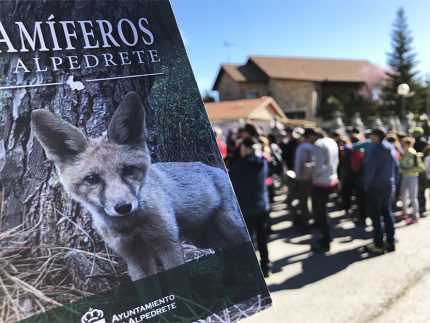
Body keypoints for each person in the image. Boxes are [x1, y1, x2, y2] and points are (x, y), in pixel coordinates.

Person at [229, 137, 271, 277]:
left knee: (250, 240)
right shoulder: (263, 163)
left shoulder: (239, 166)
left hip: (247, 208)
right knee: (263, 239)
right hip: (262, 206)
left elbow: (232, 184)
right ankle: (266, 266)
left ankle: (253, 271)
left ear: (245, 149)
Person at [364, 129, 399, 255]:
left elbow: (370, 169)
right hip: (389, 184)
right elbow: (396, 167)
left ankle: (379, 244)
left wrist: (366, 184)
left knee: (376, 215)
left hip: (376, 185)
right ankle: (391, 241)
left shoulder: (375, 149)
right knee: (387, 212)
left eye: (371, 136)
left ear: (376, 136)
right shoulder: (391, 147)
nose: (370, 138)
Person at [310, 129, 339, 252]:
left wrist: (311, 169)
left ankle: (325, 241)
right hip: (331, 179)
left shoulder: (318, 144)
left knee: (321, 213)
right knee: (324, 211)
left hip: (321, 181)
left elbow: (320, 166)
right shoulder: (332, 141)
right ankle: (328, 237)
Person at [292, 128, 317, 232]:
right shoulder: (311, 146)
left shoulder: (302, 147)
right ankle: (310, 220)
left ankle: (306, 223)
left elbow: (299, 163)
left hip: (303, 178)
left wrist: (297, 177)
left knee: (304, 201)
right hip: (312, 177)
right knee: (309, 200)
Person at [399, 137, 425, 224]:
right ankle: (405, 212)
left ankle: (415, 216)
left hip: (412, 177)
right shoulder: (404, 152)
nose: (402, 145)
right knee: (403, 195)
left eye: (403, 143)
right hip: (405, 176)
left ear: (408, 144)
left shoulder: (413, 154)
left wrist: (410, 169)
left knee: (413, 197)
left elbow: (421, 168)